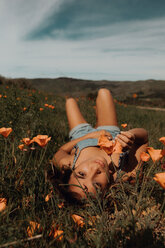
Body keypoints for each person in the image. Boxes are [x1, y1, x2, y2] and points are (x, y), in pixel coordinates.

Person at [52, 88, 148, 201]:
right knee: (104, 92)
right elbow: (144, 139)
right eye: (97, 185)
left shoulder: (67, 163)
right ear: (106, 191)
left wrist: (89, 136)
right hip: (110, 133)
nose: (95, 169)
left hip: (81, 136)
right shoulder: (125, 174)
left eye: (81, 174)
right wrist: (131, 135)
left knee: (70, 101)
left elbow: (61, 151)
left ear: (71, 173)